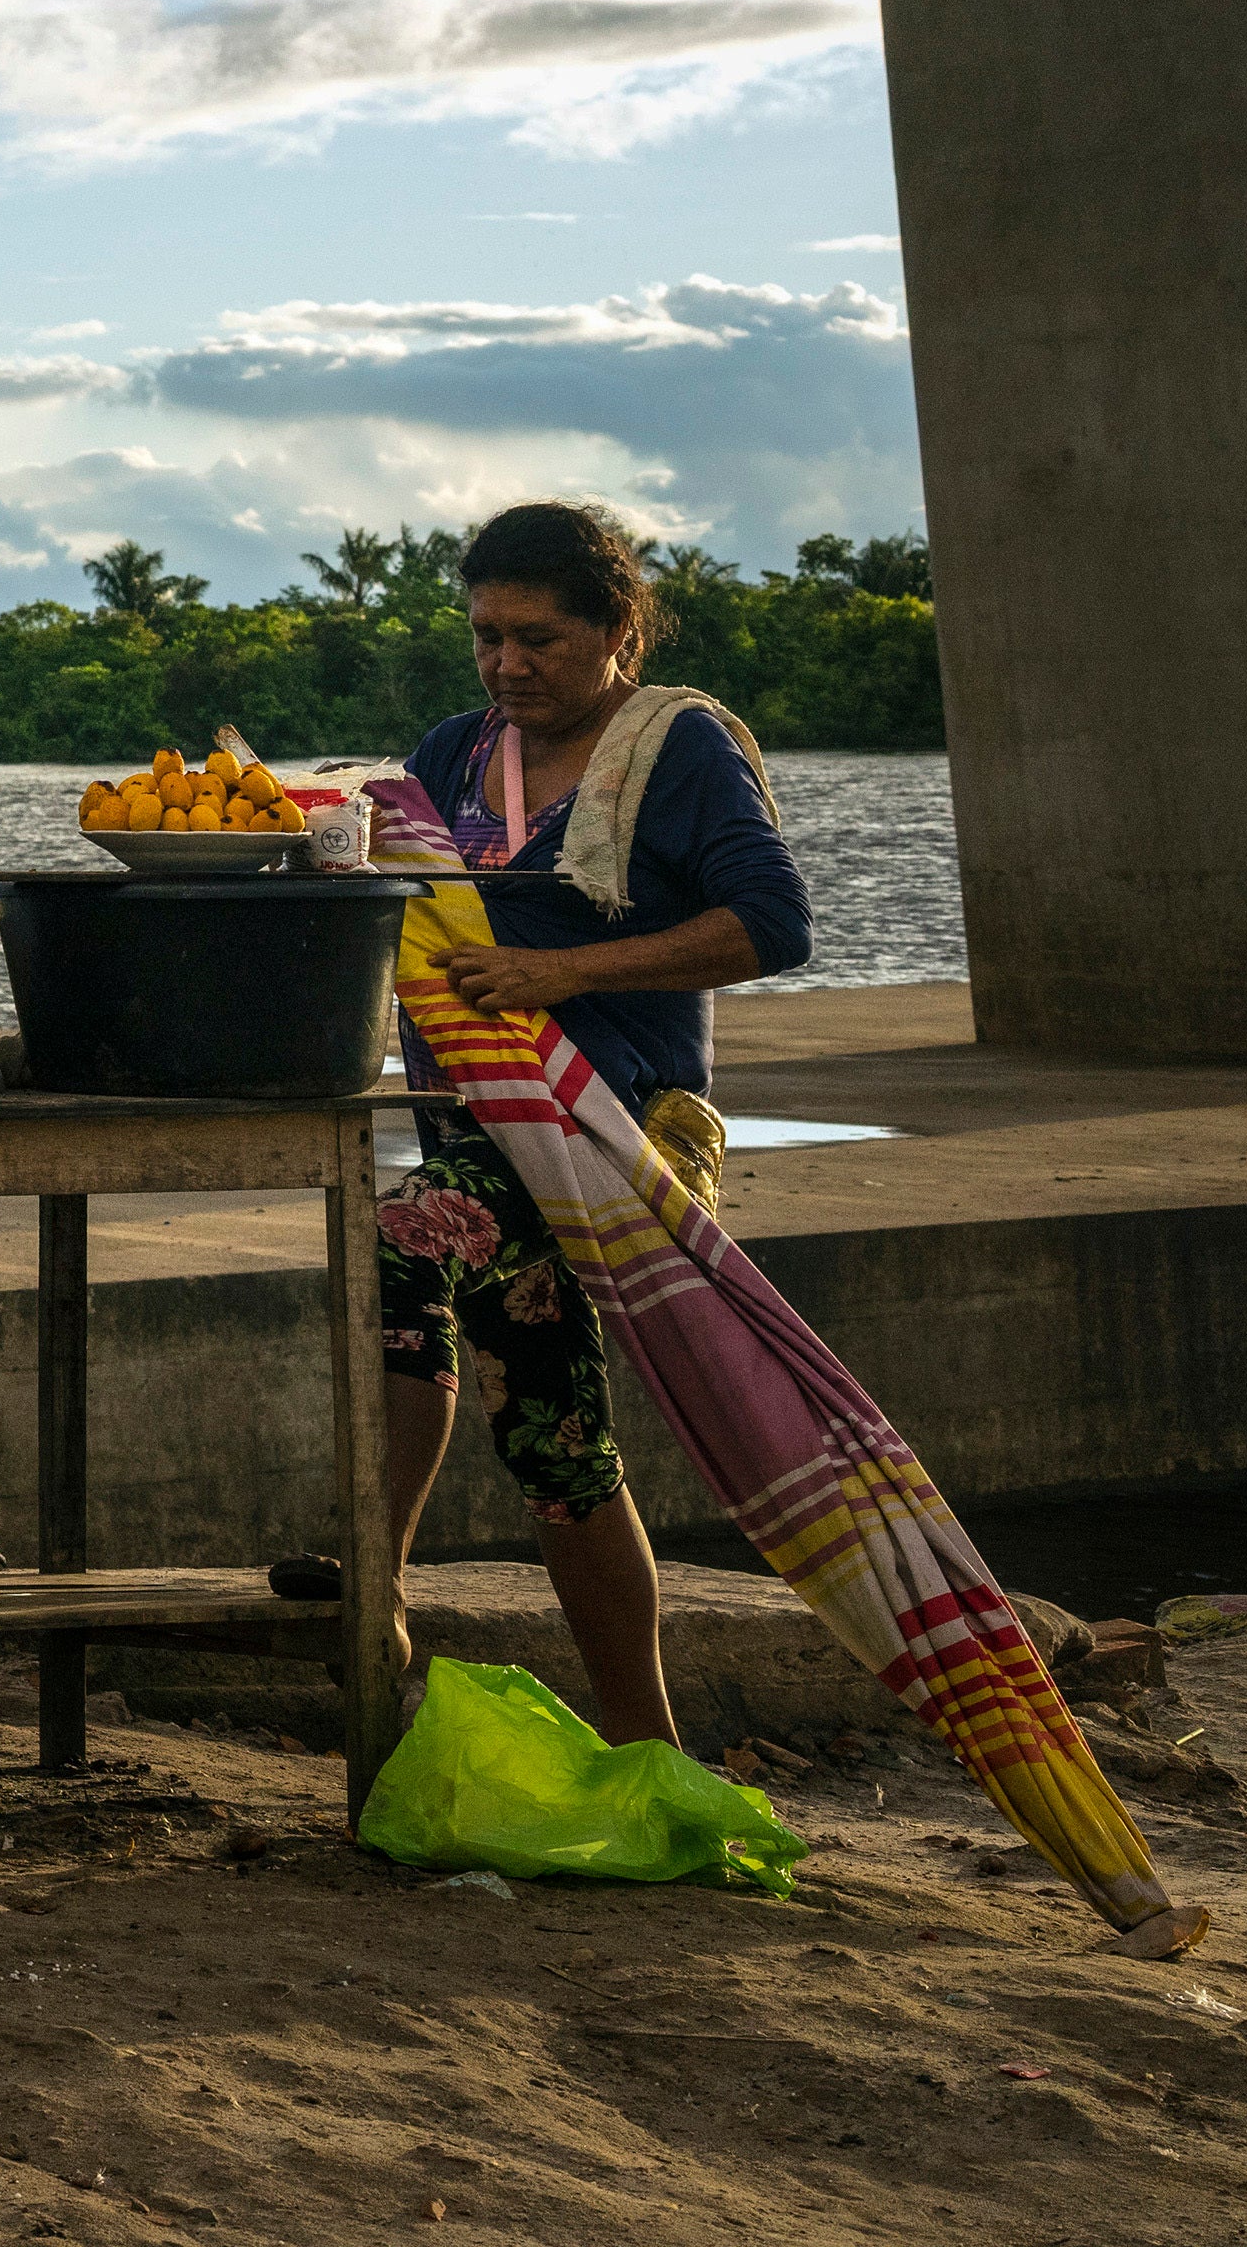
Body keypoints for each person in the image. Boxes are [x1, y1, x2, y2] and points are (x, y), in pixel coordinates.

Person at [376, 500, 817, 1748]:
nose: (507, 664)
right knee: (555, 1441)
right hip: (478, 1129)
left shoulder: (677, 749)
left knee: (404, 1236)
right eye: (487, 637)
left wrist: (562, 972)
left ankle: (374, 1575)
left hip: (611, 1141)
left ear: (618, 626)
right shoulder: (455, 751)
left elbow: (773, 924)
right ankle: (648, 1747)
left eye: (539, 638)